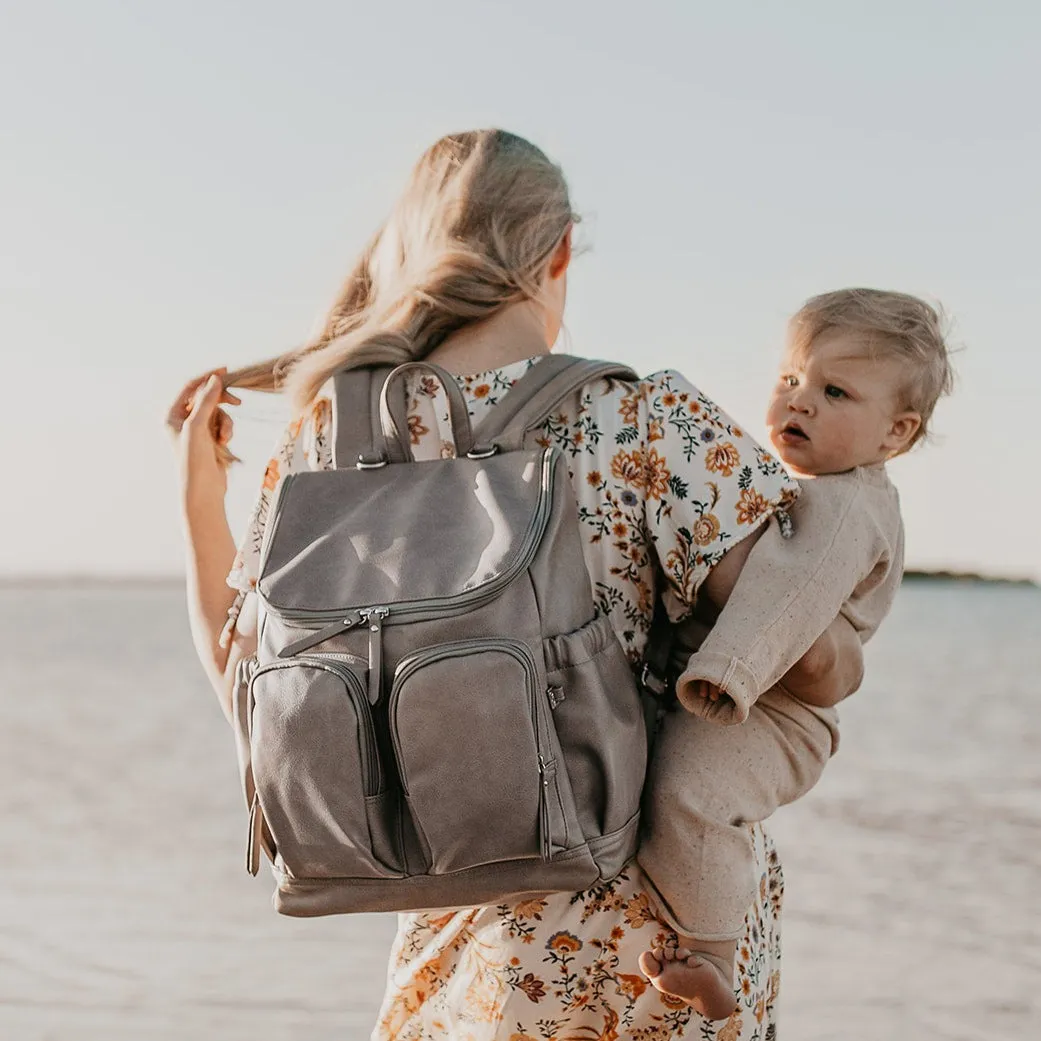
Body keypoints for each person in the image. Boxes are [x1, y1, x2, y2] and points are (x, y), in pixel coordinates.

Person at [166, 129, 864, 1039]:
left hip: (461, 957)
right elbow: (810, 659)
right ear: (559, 248)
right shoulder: (644, 421)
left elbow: (251, 702)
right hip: (655, 947)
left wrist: (196, 493)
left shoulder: (321, 447)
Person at [638, 289, 955, 1018]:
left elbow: (792, 597)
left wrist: (725, 672)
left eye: (833, 391)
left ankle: (711, 959)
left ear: (893, 433)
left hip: (770, 711)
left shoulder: (849, 506)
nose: (798, 402)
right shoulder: (817, 493)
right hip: (751, 696)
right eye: (790, 380)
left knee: (691, 791)